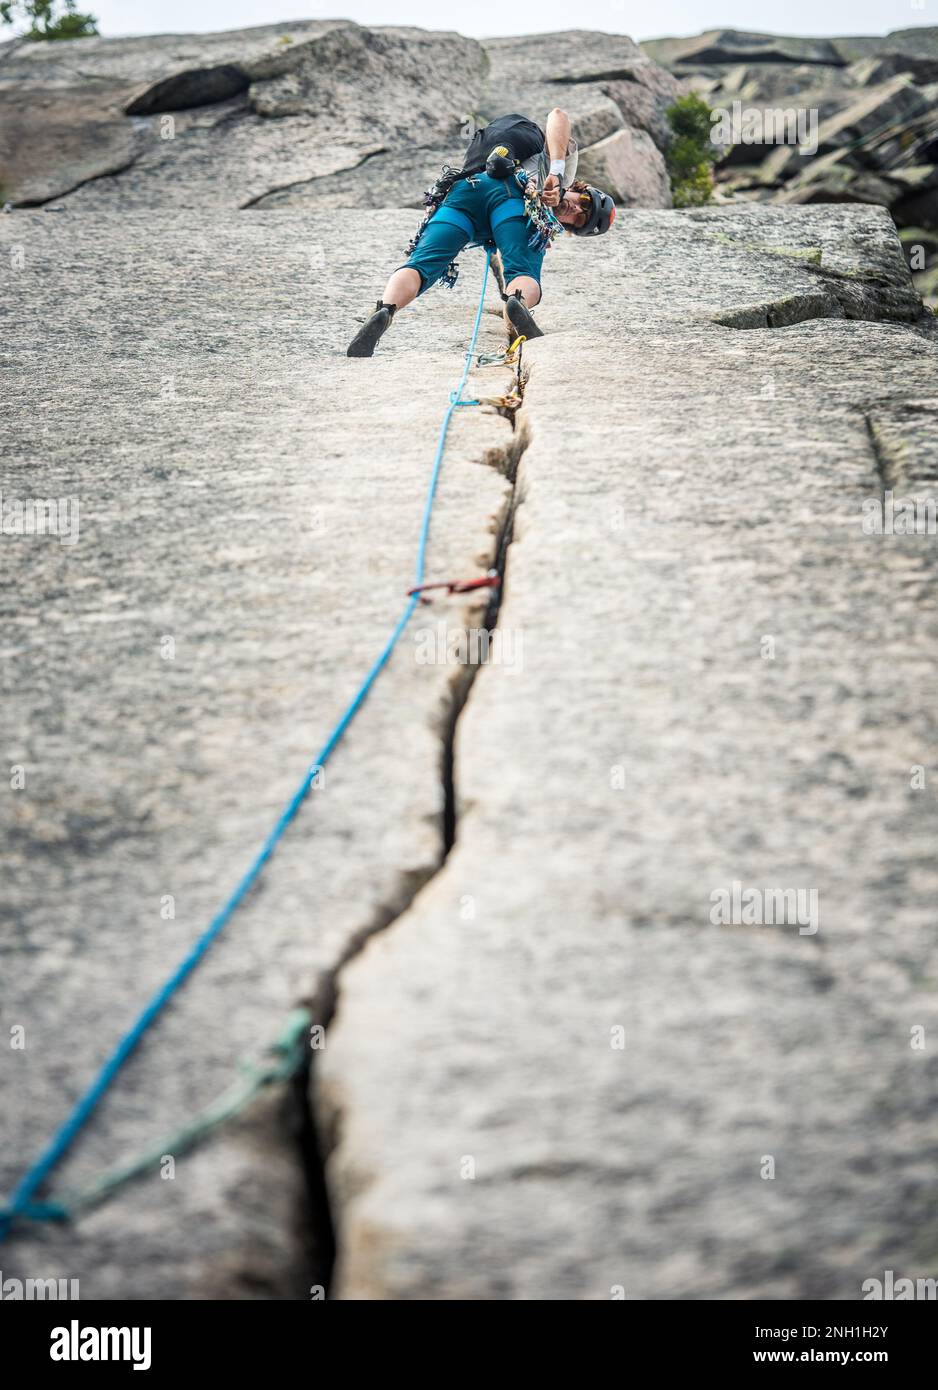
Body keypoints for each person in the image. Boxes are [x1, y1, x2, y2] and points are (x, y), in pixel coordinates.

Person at [347, 109, 616, 357]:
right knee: (523, 271)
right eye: (584, 202)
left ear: (569, 228)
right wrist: (556, 172)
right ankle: (516, 304)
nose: (573, 208)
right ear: (579, 188)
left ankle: (385, 309)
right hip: (511, 198)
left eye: (578, 219)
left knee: (421, 264)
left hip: (462, 195)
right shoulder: (559, 179)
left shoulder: (495, 150)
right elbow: (558, 115)